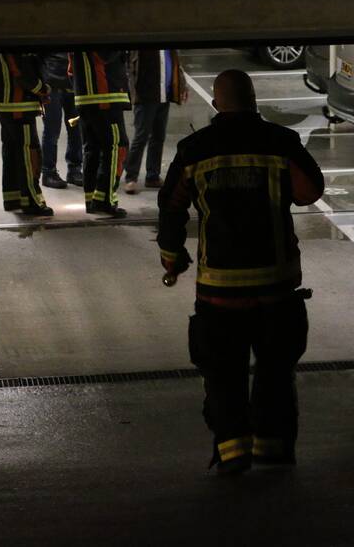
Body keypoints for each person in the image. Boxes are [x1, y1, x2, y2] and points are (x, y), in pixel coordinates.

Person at [157, 69, 325, 475]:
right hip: (275, 287)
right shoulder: (281, 143)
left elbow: (172, 207)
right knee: (275, 372)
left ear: (216, 104)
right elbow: (310, 192)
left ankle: (233, 455)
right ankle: (274, 450)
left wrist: (172, 257)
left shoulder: (194, 150)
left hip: (218, 292)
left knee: (223, 375)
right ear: (254, 101)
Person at [0, 53, 53, 216]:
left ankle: (12, 198)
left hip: (6, 105)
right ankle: (32, 201)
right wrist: (43, 89)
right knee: (29, 154)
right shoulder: (15, 42)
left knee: (11, 153)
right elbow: (21, 72)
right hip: (19, 105)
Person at [69, 49, 131, 218]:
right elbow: (105, 55)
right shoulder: (101, 30)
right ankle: (105, 200)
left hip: (87, 97)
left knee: (93, 150)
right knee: (117, 147)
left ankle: (92, 200)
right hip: (104, 97)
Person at [124, 49, 187, 194]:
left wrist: (182, 85)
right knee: (141, 137)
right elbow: (130, 69)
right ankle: (131, 177)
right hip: (145, 97)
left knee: (158, 137)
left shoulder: (168, 48)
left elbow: (176, 66)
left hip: (163, 96)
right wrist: (133, 93)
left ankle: (152, 176)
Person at [37, 53, 83, 189]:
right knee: (52, 130)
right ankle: (48, 172)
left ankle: (74, 170)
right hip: (52, 84)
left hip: (71, 82)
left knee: (76, 129)